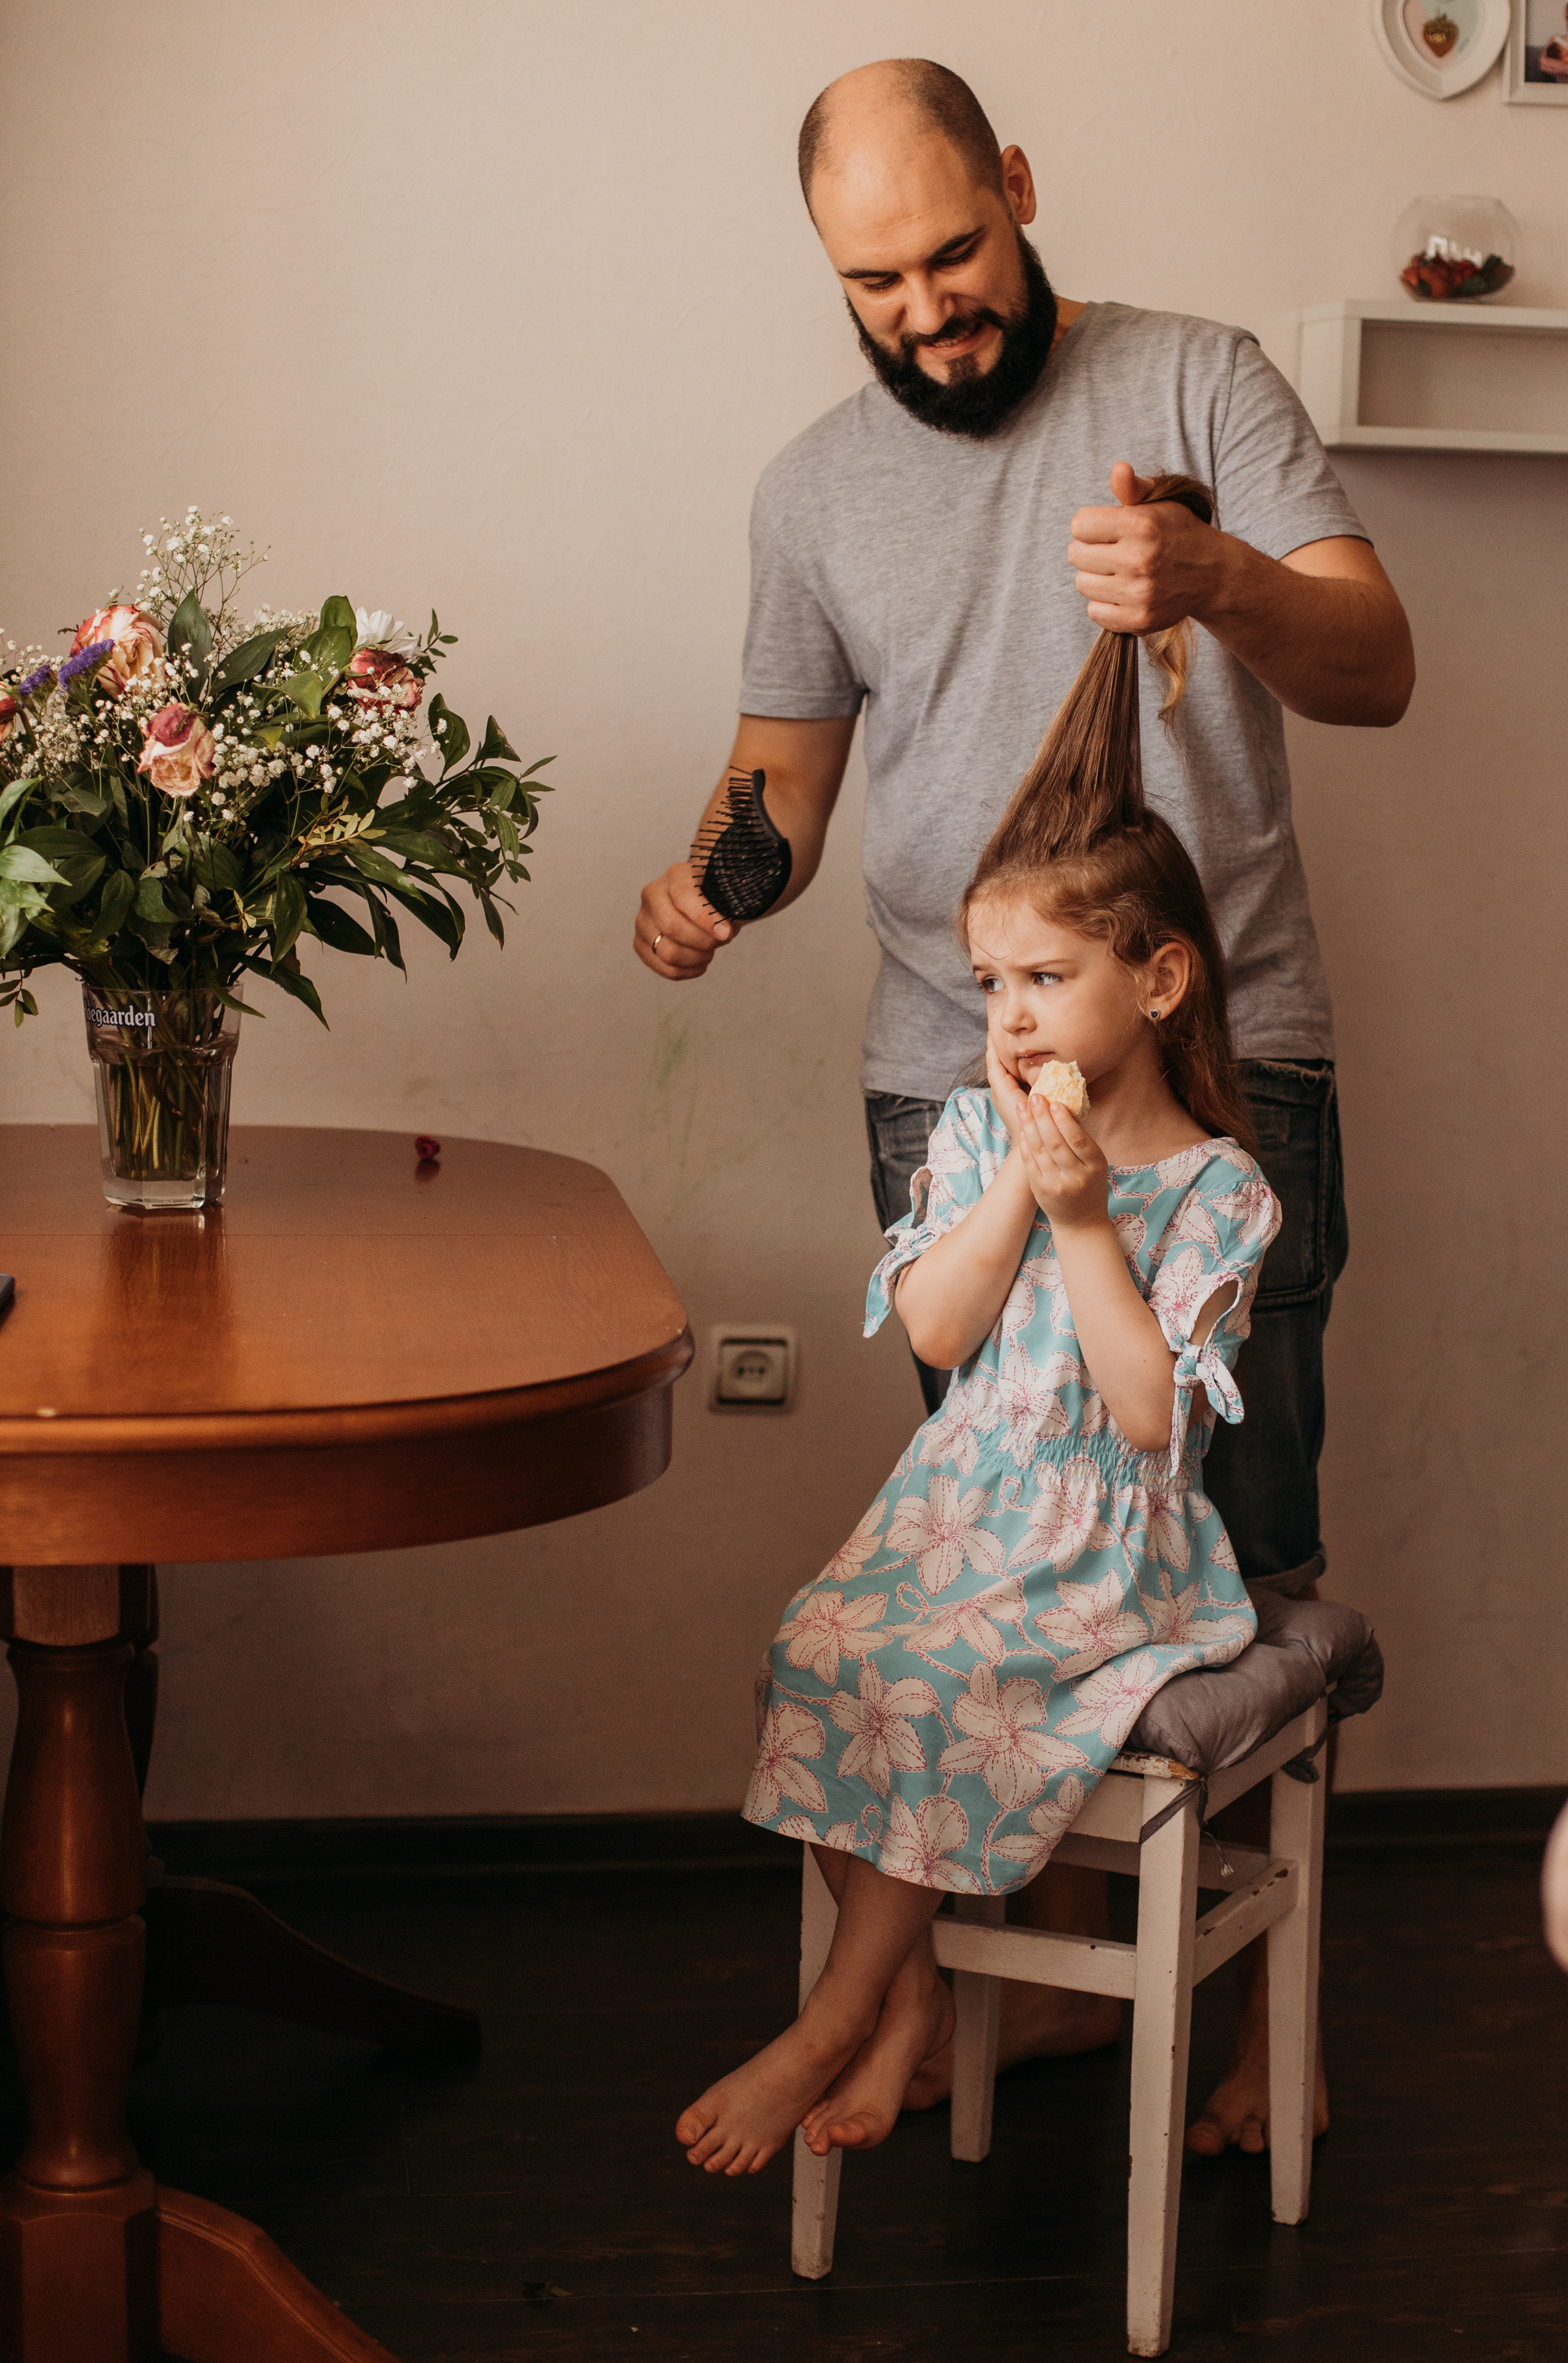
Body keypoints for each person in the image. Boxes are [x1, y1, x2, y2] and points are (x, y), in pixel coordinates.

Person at [636, 58, 1414, 2156]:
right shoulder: (811, 493)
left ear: (1023, 191)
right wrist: (711, 881)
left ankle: (1265, 2030)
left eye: (956, 254)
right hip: (945, 1078)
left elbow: (1377, 663)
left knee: (1245, 1551)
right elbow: (781, 783)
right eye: (875, 278)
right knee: (1008, 1567)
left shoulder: (1203, 382)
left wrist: (1220, 582)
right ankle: (1031, 1996)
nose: (927, 308)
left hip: (1235, 1063)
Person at [677, 535, 1280, 2174]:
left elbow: (1155, 1424)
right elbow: (939, 1331)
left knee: (942, 1680)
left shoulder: (1220, 1187)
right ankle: (919, 2006)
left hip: (1113, 1549)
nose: (1009, 1015)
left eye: (1050, 978)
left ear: (1157, 980)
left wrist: (1092, 1221)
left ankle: (851, 2016)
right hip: (962, 1506)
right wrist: (1021, 1174)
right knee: (820, 1649)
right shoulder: (970, 1134)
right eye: (992, 982)